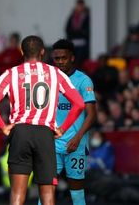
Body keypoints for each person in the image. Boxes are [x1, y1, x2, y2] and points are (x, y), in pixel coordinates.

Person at [0, 35, 85, 205]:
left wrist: (3, 127)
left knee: (17, 193)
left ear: (22, 51)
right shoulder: (56, 74)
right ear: (43, 52)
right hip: (45, 134)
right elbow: (79, 104)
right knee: (47, 194)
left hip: (20, 132)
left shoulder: (11, 74)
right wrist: (63, 128)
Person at [38, 39, 96, 205]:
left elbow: (91, 115)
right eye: (57, 58)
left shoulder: (83, 80)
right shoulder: (48, 80)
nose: (60, 62)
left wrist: (77, 138)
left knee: (77, 195)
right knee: (46, 193)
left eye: (64, 57)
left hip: (75, 145)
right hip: (51, 145)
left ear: (72, 58)